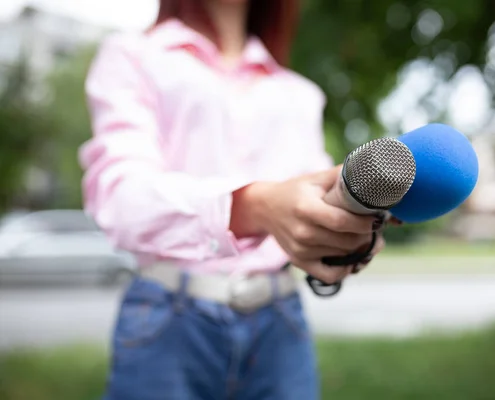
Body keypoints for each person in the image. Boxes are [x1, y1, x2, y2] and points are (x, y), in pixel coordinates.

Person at [79, 0, 387, 399]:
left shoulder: (298, 93)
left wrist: (340, 230)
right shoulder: (134, 56)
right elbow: (122, 199)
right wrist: (252, 206)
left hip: (280, 320)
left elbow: (314, 198)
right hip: (168, 323)